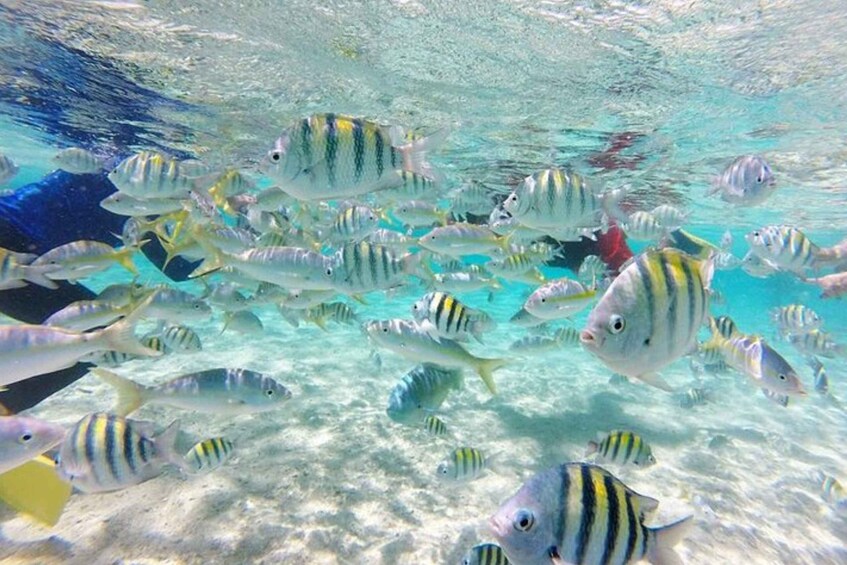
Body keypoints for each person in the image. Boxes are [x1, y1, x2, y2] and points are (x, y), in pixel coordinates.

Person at [0, 167, 198, 415]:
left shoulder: (112, 169)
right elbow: (177, 269)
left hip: (11, 236)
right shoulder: (143, 190)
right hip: (11, 248)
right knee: (98, 335)